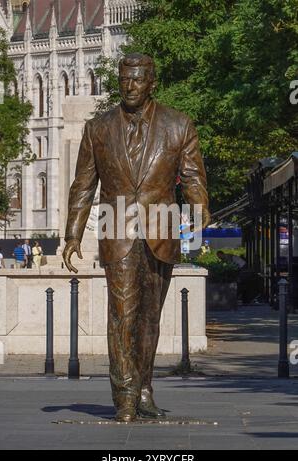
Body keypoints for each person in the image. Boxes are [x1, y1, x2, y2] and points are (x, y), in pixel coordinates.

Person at [63, 53, 210, 422]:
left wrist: (198, 209)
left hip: (162, 229)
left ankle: (144, 389)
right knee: (122, 314)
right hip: (118, 229)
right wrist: (72, 235)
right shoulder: (98, 128)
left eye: (137, 80)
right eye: (124, 79)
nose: (129, 86)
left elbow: (192, 177)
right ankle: (124, 396)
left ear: (151, 83)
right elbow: (83, 184)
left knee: (150, 318)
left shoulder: (178, 125)